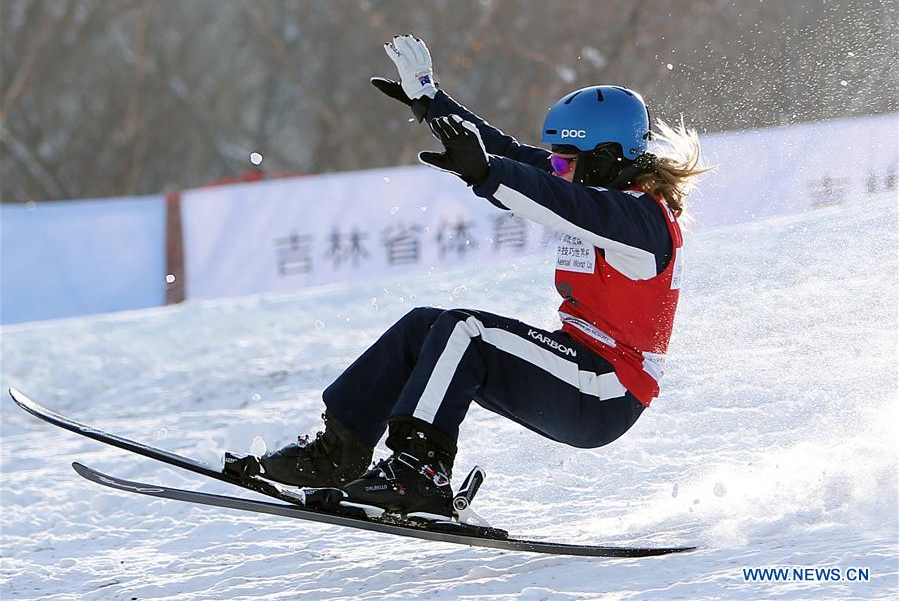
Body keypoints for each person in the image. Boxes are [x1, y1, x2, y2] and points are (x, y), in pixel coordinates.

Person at [228, 35, 711, 521]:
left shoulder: (640, 220)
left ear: (608, 157)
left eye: (566, 160)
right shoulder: (588, 179)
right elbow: (511, 155)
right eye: (557, 159)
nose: (556, 169)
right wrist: (429, 101)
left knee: (466, 331)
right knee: (424, 327)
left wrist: (486, 173)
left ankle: (420, 473)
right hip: (576, 365)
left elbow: (557, 198)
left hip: (605, 390)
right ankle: (339, 452)